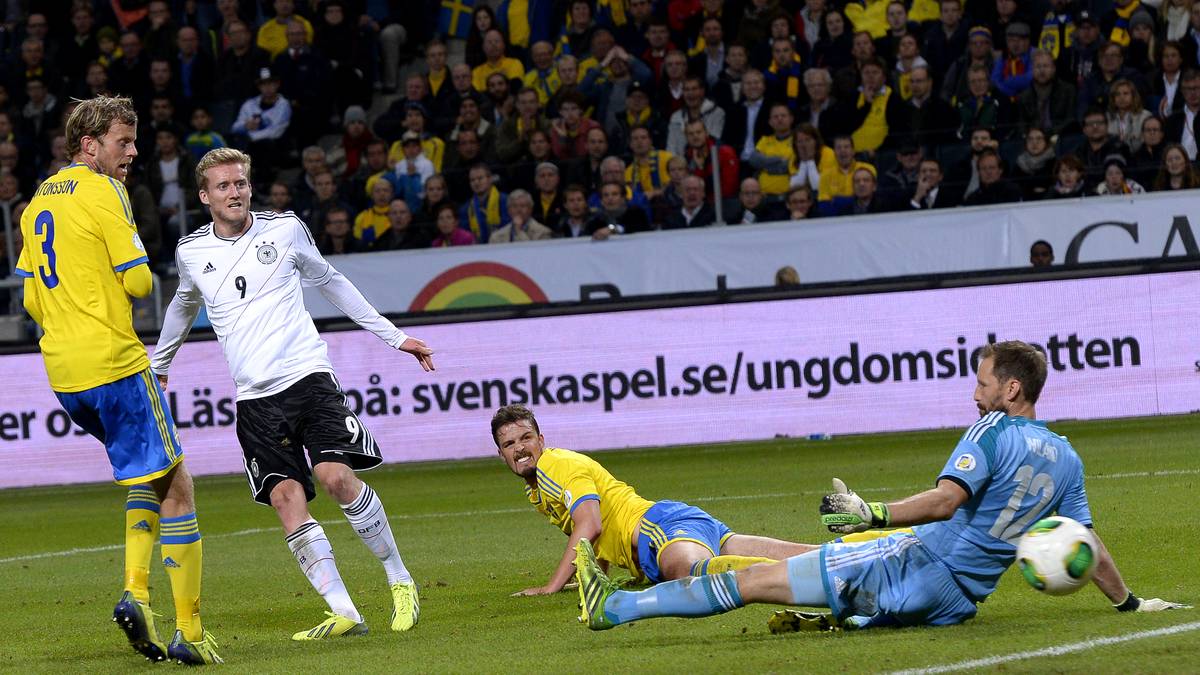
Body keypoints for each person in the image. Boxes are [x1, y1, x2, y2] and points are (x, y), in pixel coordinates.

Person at [574, 340, 1192, 632]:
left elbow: (947, 501)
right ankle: (845, 617)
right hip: (956, 604)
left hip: (916, 564)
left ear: (1010, 389)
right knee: (826, 569)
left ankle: (617, 608)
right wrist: (1130, 604)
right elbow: (1088, 543)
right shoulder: (1067, 458)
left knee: (752, 582)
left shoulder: (991, 430)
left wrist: (872, 511)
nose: (973, 391)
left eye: (981, 382)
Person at [151, 148, 431, 641]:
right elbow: (182, 303)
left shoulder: (284, 229)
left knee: (336, 478)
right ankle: (345, 612)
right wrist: (161, 363)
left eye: (240, 183)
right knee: (285, 498)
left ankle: (399, 578)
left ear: (249, 187)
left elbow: (330, 281)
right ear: (204, 196)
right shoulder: (192, 251)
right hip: (254, 399)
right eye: (223, 186)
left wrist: (392, 336)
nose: (234, 192)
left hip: (307, 377)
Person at [14, 95, 221, 665]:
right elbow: (135, 284)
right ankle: (188, 631)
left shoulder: (36, 203)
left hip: (63, 371)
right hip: (115, 362)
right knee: (179, 488)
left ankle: (137, 594)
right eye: (123, 142)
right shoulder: (105, 191)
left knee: (146, 474)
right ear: (90, 145)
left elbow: (32, 295)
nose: (133, 151)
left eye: (133, 141)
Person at [492, 405, 818, 596]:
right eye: (509, 444)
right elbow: (590, 533)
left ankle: (817, 576)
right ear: (500, 453)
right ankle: (858, 550)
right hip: (672, 523)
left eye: (526, 438)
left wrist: (551, 587)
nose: (519, 448)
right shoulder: (536, 489)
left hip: (657, 530)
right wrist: (593, 575)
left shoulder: (555, 465)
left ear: (541, 440)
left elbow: (589, 525)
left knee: (687, 577)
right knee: (809, 554)